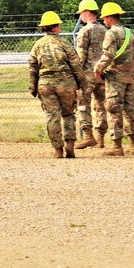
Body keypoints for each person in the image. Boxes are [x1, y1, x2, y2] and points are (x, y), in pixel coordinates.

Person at [28, 11, 87, 158]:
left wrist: (33, 87)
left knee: (52, 116)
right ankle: (70, 144)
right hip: (66, 84)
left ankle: (57, 150)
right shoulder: (65, 43)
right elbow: (76, 65)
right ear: (56, 27)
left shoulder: (38, 45)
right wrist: (83, 84)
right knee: (68, 114)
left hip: (45, 84)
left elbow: (33, 67)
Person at [94, 2, 134, 157]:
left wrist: (98, 69)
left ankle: (117, 147)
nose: (103, 21)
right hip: (130, 78)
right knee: (130, 111)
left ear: (109, 17)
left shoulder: (111, 33)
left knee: (114, 110)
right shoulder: (130, 32)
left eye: (104, 18)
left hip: (115, 78)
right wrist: (130, 68)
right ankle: (133, 145)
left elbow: (108, 55)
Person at [74, 0, 106, 149]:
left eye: (81, 13)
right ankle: (101, 138)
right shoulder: (105, 30)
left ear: (87, 13)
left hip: (87, 74)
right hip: (103, 74)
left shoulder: (85, 31)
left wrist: (76, 74)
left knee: (83, 104)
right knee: (101, 105)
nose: (80, 16)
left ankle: (88, 136)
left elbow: (81, 55)